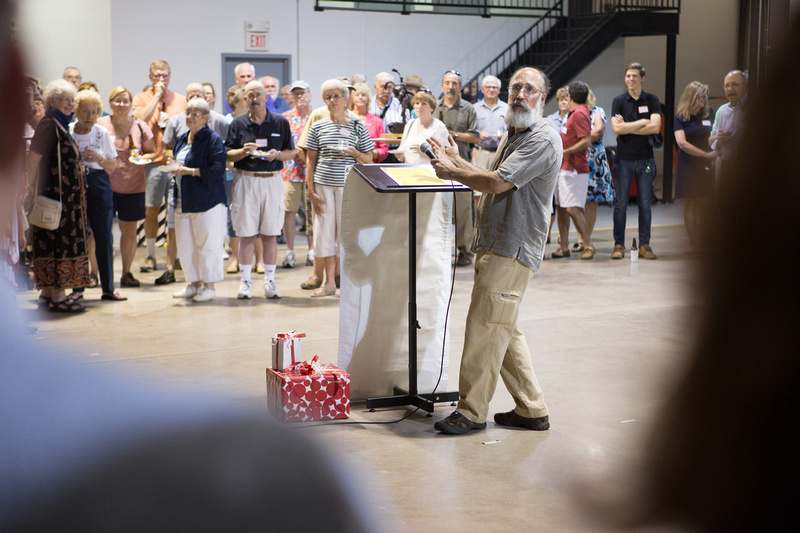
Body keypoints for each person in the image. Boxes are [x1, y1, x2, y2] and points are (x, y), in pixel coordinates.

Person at [603, 18, 800, 531]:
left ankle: (643, 243)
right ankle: (624, 243)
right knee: (633, 209)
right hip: (633, 158)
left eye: (731, 87)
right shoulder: (630, 106)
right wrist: (637, 128)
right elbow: (628, 128)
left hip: (644, 163)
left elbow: (651, 130)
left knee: (646, 205)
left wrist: (642, 129)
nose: (724, 92)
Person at [429, 67, 561, 435]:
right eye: (516, 87)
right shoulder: (515, 132)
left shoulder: (542, 139)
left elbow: (498, 182)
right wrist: (456, 161)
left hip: (512, 247)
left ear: (542, 97)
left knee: (485, 327)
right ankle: (532, 409)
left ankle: (471, 412)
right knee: (503, 327)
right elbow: (491, 175)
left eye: (530, 89)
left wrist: (452, 172)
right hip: (498, 241)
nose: (520, 94)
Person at [225, 81, 295, 300]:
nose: (254, 99)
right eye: (250, 95)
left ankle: (270, 282)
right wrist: (241, 152)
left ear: (267, 98)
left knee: (270, 233)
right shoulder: (237, 124)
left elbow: (291, 152)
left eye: (258, 95)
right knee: (245, 233)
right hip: (246, 180)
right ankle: (245, 283)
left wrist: (277, 155)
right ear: (244, 99)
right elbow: (227, 154)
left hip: (272, 181)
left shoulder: (280, 122)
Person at [25, 79, 91, 312]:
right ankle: (59, 297)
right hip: (54, 198)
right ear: (52, 100)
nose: (70, 105)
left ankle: (48, 294)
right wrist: (31, 189)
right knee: (56, 244)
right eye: (66, 100)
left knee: (53, 243)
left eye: (72, 101)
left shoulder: (60, 124)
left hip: (66, 200)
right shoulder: (49, 125)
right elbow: (33, 160)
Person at [305, 78, 374, 298]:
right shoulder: (318, 126)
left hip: (349, 187)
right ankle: (328, 284)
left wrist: (354, 153)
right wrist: (311, 191)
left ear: (346, 99)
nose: (332, 100)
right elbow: (310, 161)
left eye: (336, 96)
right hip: (323, 186)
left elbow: (369, 159)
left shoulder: (356, 125)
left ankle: (349, 280)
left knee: (347, 235)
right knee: (323, 234)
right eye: (328, 97)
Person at [168, 98, 227, 303]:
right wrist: (173, 167)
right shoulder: (183, 138)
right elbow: (179, 162)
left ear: (205, 118)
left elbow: (217, 170)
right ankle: (194, 284)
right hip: (183, 199)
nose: (189, 117)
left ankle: (209, 287)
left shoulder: (213, 139)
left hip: (207, 200)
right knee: (186, 245)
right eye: (187, 113)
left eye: (195, 113)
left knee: (207, 244)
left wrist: (189, 171)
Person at [133, 60, 187, 279]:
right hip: (153, 164)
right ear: (149, 77)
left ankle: (175, 256)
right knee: (151, 209)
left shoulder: (181, 100)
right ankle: (151, 254)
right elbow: (138, 121)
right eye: (157, 75)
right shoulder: (141, 98)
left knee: (177, 212)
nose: (161, 79)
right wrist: (156, 97)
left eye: (165, 75)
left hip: (175, 164)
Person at [69, 89, 125, 301]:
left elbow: (112, 165)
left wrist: (98, 158)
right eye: (85, 111)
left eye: (94, 112)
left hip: (99, 183)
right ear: (76, 111)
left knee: (104, 236)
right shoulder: (69, 131)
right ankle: (78, 288)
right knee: (78, 237)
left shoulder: (101, 133)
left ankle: (108, 288)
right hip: (75, 185)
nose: (90, 116)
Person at [97, 86, 156, 288]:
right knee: (99, 230)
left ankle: (126, 273)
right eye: (117, 101)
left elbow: (151, 152)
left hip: (133, 186)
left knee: (129, 230)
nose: (121, 105)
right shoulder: (101, 124)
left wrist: (142, 158)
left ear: (131, 105)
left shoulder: (140, 126)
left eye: (125, 101)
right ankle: (93, 273)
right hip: (105, 186)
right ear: (110, 103)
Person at [610, 62, 661, 260]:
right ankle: (619, 245)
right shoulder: (619, 101)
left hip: (645, 158)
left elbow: (655, 127)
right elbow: (617, 129)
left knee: (645, 204)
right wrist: (642, 122)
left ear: (642, 78)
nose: (630, 79)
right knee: (620, 204)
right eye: (628, 76)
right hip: (623, 160)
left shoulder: (652, 100)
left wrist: (627, 126)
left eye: (634, 76)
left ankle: (645, 245)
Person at [435, 70, 480, 266]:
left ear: (460, 87)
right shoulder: (435, 108)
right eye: (447, 83)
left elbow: (476, 137)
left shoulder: (468, 109)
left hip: (460, 164)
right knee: (437, 209)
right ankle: (438, 251)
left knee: (462, 210)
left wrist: (453, 135)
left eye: (454, 83)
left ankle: (465, 252)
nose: (451, 87)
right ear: (442, 86)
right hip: (436, 165)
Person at [552, 81, 595, 259]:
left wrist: (564, 152)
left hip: (574, 168)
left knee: (572, 208)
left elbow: (586, 140)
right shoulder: (574, 113)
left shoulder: (579, 114)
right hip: (564, 167)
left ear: (570, 97)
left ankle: (588, 245)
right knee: (562, 207)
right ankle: (564, 247)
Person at [673, 81, 716, 252]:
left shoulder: (710, 114)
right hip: (689, 164)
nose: (705, 99)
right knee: (689, 203)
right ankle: (693, 243)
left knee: (706, 202)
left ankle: (707, 242)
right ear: (692, 97)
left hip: (708, 164)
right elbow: (682, 143)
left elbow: (714, 137)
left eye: (706, 96)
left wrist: (713, 154)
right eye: (701, 96)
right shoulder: (681, 117)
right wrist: (705, 155)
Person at [280, 80, 313, 269]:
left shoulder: (317, 116)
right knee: (289, 212)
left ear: (309, 94)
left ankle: (312, 250)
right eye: (296, 94)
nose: (300, 97)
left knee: (312, 213)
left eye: (303, 93)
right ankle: (290, 251)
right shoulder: (285, 118)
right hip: (290, 171)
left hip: (311, 172)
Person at [472, 75, 508, 211]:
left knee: (500, 190)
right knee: (479, 192)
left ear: (499, 90)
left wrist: (505, 136)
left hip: (500, 154)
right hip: (482, 153)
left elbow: (513, 131)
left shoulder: (506, 108)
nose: (491, 90)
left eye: (495, 87)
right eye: (488, 87)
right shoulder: (474, 108)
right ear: (482, 89)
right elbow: (469, 132)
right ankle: (479, 225)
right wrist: (478, 135)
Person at [395, 90, 449, 164]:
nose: (419, 107)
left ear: (432, 108)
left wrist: (425, 152)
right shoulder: (410, 124)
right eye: (417, 103)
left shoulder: (439, 127)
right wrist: (400, 155)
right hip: (408, 171)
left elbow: (446, 154)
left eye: (424, 104)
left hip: (429, 171)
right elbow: (402, 149)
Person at [711, 70, 747, 178]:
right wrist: (719, 140)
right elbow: (712, 140)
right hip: (725, 165)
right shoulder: (723, 111)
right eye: (726, 86)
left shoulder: (753, 110)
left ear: (745, 86)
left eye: (734, 85)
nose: (730, 89)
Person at [349, 82, 388, 164]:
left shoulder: (377, 121)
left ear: (368, 99)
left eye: (363, 95)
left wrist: (370, 151)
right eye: (357, 95)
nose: (360, 97)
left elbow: (384, 151)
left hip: (369, 165)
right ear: (351, 98)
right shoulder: (346, 118)